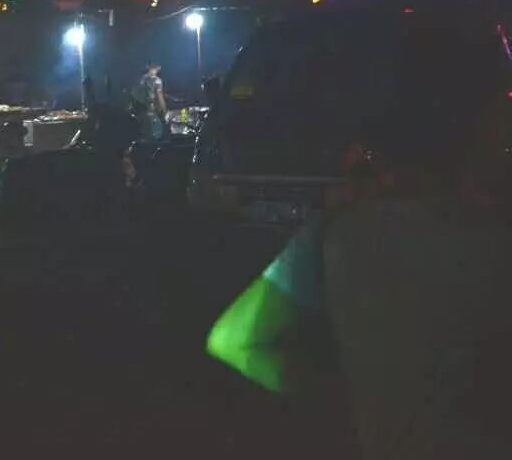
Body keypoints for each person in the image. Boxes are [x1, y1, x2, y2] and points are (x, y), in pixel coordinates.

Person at [206, 35, 512, 459]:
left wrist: (340, 403)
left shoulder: (334, 234)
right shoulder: (493, 235)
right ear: (484, 123)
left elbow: (233, 339)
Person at [133, 63, 167, 139]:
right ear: (148, 68)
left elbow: (160, 95)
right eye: (152, 68)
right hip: (142, 106)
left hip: (152, 106)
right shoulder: (143, 79)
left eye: (155, 68)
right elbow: (137, 92)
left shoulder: (158, 81)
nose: (154, 70)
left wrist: (164, 109)